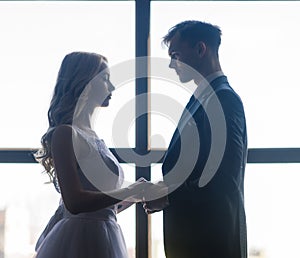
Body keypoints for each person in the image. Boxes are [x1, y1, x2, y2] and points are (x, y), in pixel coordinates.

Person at [144, 20, 248, 258]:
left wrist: (168, 195)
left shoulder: (223, 100)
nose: (171, 65)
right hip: (197, 239)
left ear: (201, 49)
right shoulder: (205, 98)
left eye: (176, 55)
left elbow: (222, 179)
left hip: (210, 242)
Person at [34, 51, 149, 258]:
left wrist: (134, 195)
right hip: (81, 239)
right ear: (85, 82)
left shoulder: (93, 137)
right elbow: (75, 202)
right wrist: (128, 190)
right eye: (105, 79)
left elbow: (101, 210)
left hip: (103, 233)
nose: (112, 87)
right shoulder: (65, 133)